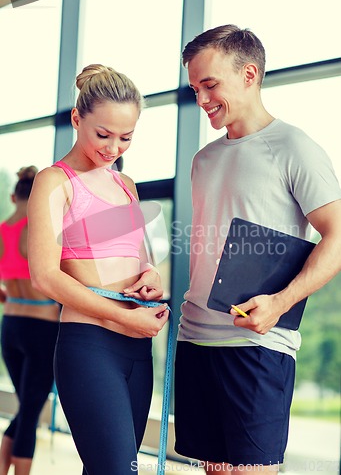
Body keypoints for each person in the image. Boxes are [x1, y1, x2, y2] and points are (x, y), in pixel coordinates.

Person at [174, 24, 341, 474]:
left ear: (249, 74)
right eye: (195, 88)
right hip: (195, 339)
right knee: (213, 470)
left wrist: (281, 302)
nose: (202, 99)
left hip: (258, 344)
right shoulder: (203, 160)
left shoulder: (295, 148)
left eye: (210, 85)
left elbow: (338, 237)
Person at [27, 64, 169, 475]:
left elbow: (143, 256)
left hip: (138, 350)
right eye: (102, 134)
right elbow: (46, 275)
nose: (113, 148)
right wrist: (122, 314)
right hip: (90, 346)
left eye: (126, 138)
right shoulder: (55, 182)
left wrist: (151, 277)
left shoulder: (127, 186)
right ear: (76, 119)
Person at [0, 166, 60, 475]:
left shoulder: (2, 229)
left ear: (13, 195)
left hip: (10, 327)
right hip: (42, 326)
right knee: (30, 409)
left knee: (26, 406)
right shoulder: (37, 225)